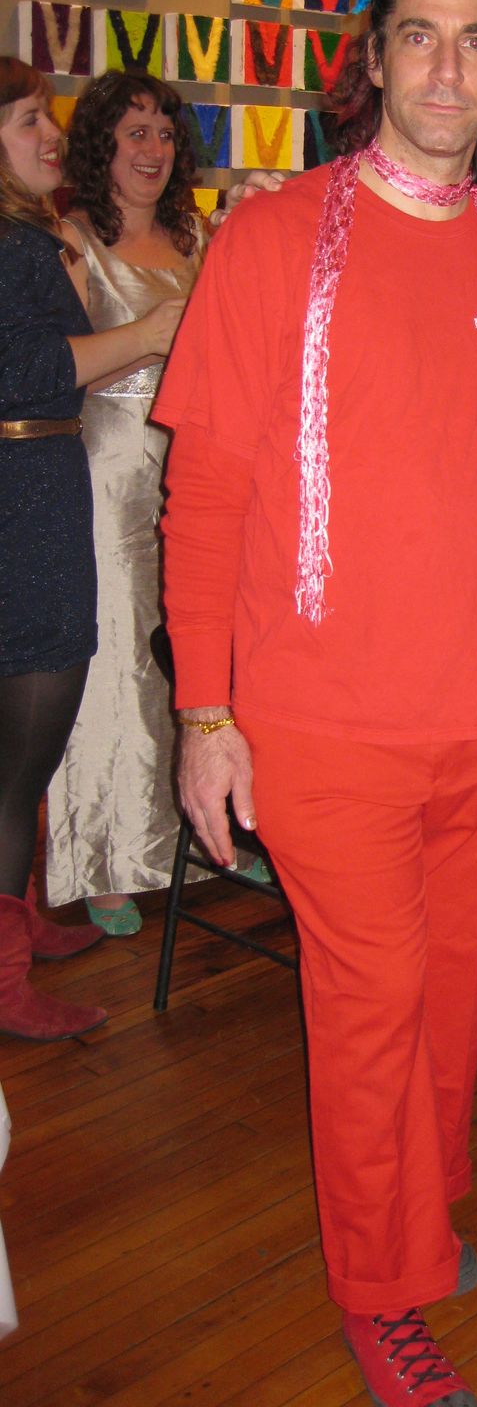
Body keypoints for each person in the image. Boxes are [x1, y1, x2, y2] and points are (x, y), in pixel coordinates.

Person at [152, 0, 477, 1407]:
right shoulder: (267, 240)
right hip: (323, 729)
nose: (447, 69)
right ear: (373, 61)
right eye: (419, 37)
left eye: (475, 41)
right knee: (371, 1017)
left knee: (451, 1004)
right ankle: (379, 1291)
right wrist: (205, 718)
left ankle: (415, 1216)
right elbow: (206, 501)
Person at [0, 58, 179, 1041]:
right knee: (32, 739)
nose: (52, 136)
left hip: (65, 487)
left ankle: (23, 917)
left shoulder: (29, 237)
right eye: (29, 119)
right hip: (49, 495)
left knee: (32, 747)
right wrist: (148, 334)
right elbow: (28, 368)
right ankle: (12, 970)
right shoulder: (32, 242)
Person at [44, 71, 198, 935]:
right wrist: (148, 340)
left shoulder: (194, 235)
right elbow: (50, 371)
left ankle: (192, 837)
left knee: (192, 658)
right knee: (118, 659)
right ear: (101, 145)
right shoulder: (71, 241)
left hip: (192, 468)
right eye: (135, 132)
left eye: (165, 134)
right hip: (109, 471)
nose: (153, 150)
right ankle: (108, 854)